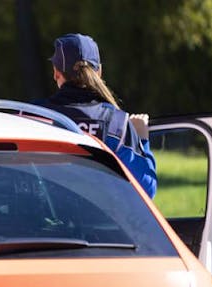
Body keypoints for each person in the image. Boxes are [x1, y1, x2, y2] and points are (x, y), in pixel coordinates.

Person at [35, 33, 157, 198]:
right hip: (103, 223)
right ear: (99, 72)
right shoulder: (117, 122)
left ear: (56, 73)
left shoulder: (34, 116)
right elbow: (146, 189)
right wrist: (142, 138)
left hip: (47, 222)